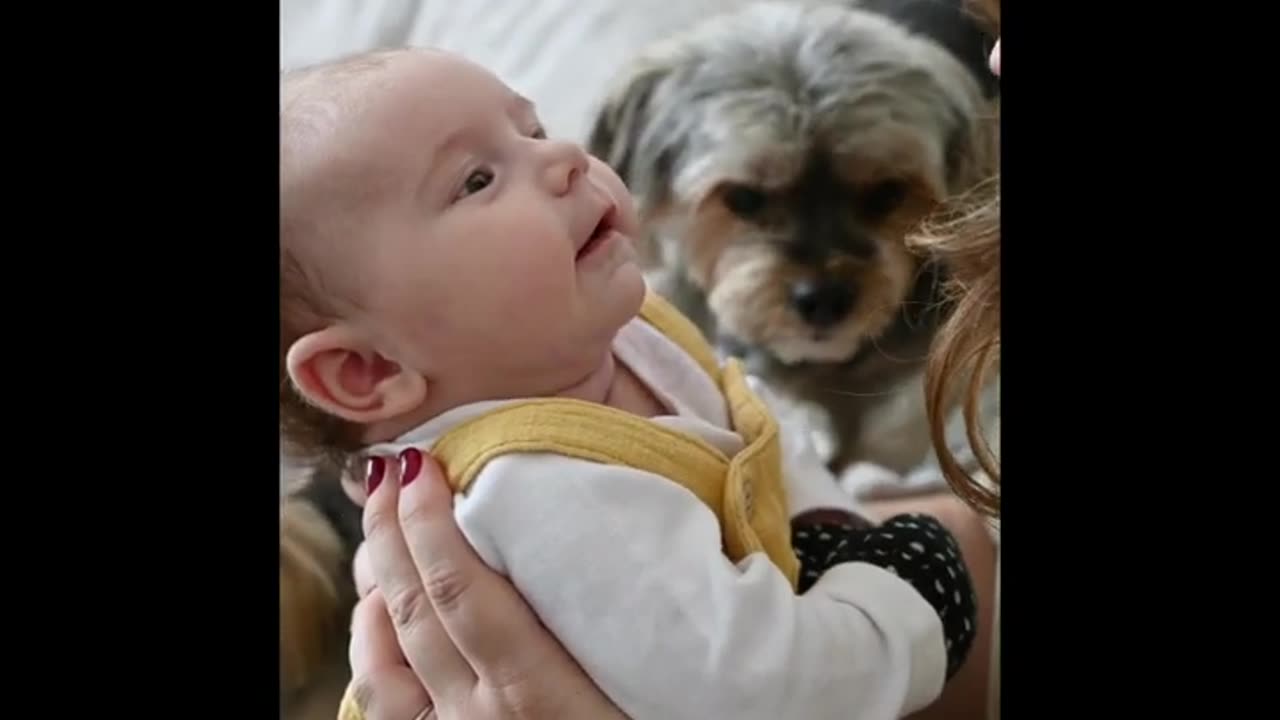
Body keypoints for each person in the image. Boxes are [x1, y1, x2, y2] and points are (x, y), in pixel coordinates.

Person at [279, 46, 987, 720]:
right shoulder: (540, 491)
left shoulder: (615, 332)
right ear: (368, 371)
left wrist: (830, 525)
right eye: (476, 179)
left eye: (534, 130)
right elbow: (765, 694)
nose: (562, 158)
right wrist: (898, 594)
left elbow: (752, 424)